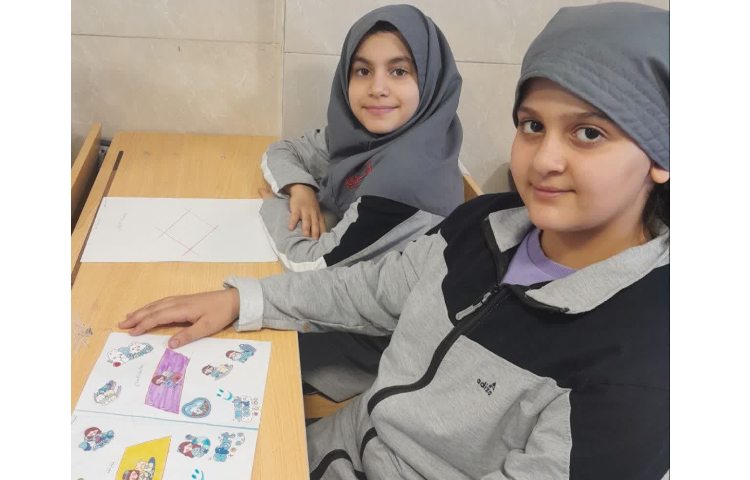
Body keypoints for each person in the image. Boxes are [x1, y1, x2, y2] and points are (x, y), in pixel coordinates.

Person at [121, 2, 669, 478]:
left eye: (589, 133)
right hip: (334, 444)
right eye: (531, 125)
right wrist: (243, 299)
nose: (545, 159)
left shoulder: (644, 366)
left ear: (663, 155)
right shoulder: (485, 226)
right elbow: (372, 288)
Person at [261, 4, 464, 402]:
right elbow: (282, 151)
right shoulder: (367, 135)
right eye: (363, 71)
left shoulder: (407, 180)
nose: (377, 88)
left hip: (375, 349)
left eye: (399, 71)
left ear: (430, 79)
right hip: (340, 301)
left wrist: (273, 203)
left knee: (233, 348)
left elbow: (307, 264)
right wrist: (300, 189)